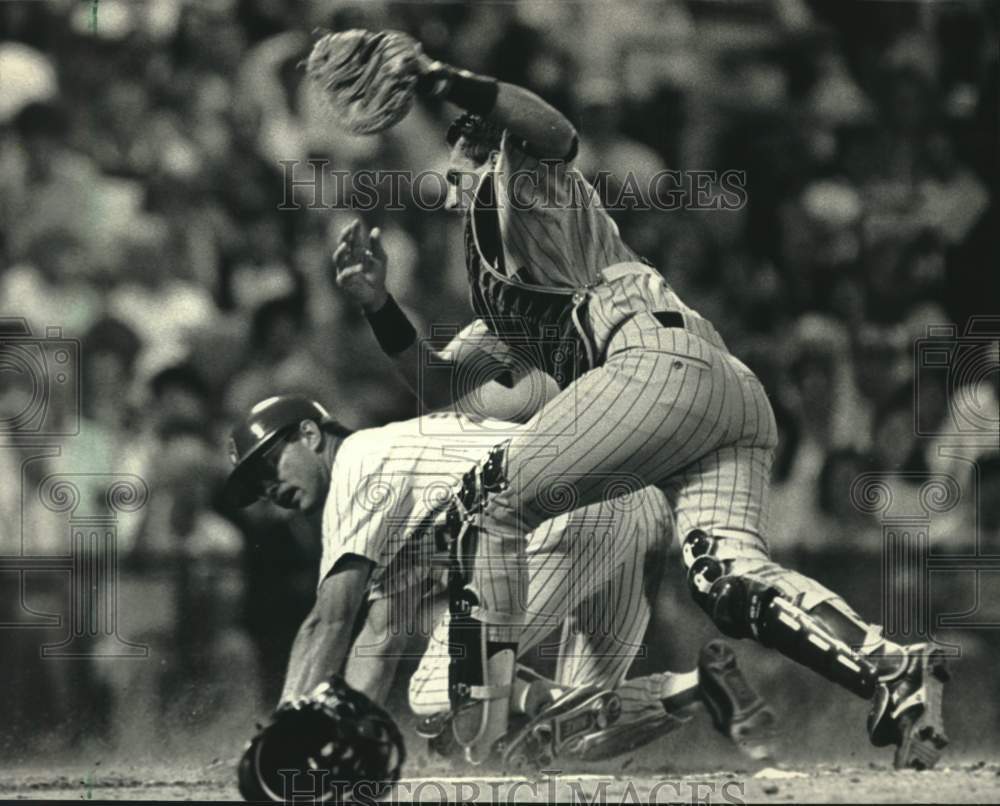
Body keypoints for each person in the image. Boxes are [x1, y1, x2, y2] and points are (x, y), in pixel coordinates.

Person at [331, 41, 949, 770]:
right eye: (459, 141)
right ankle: (891, 668)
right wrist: (378, 306)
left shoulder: (526, 180)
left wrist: (440, 79)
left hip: (652, 361)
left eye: (470, 138)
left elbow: (558, 134)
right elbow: (439, 383)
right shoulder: (504, 290)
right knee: (728, 578)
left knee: (488, 502)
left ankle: (489, 734)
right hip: (719, 393)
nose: (459, 156)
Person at [223, 395, 776, 769]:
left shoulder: (357, 463)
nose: (267, 487)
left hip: (563, 516)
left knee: (436, 697)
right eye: (255, 484)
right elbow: (380, 634)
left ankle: (544, 699)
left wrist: (284, 732)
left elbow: (330, 618)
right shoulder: (395, 473)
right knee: (576, 737)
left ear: (310, 434)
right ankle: (699, 684)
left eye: (268, 465)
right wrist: (340, 731)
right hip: (626, 507)